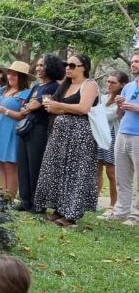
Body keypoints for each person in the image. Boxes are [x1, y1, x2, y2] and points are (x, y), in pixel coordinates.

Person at [33, 53, 101, 227]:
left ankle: (72, 215)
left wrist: (60, 106)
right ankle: (58, 209)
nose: (67, 68)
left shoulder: (90, 84)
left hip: (81, 135)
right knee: (57, 171)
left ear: (83, 67)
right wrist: (53, 107)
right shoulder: (65, 85)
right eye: (66, 65)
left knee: (75, 172)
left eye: (72, 65)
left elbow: (84, 108)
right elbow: (56, 107)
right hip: (60, 134)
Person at [16, 54, 65, 213]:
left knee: (35, 165)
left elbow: (35, 105)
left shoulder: (54, 86)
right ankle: (25, 200)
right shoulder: (37, 87)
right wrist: (29, 106)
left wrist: (30, 106)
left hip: (40, 129)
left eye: (42, 65)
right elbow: (25, 107)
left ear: (51, 67)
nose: (38, 68)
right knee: (23, 164)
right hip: (26, 127)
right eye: (37, 65)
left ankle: (38, 203)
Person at [0, 61, 32, 197]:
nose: (11, 76)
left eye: (15, 74)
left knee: (10, 166)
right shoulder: (2, 91)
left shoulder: (26, 93)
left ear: (22, 77)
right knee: (0, 164)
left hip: (11, 130)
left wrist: (5, 111)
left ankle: (10, 197)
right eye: (9, 73)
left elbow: (23, 115)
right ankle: (2, 196)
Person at [108, 51, 139, 224]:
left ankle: (136, 216)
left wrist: (136, 108)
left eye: (137, 61)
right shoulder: (128, 87)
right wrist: (120, 104)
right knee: (122, 177)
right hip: (123, 133)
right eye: (133, 61)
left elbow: (134, 108)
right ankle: (121, 212)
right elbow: (120, 114)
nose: (133, 64)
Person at [97, 71, 126, 215]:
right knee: (97, 169)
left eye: (113, 82)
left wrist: (95, 112)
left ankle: (113, 204)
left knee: (111, 172)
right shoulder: (103, 98)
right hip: (100, 135)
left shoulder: (121, 101)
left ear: (122, 85)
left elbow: (110, 115)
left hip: (113, 136)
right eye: (108, 81)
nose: (109, 84)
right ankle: (94, 200)